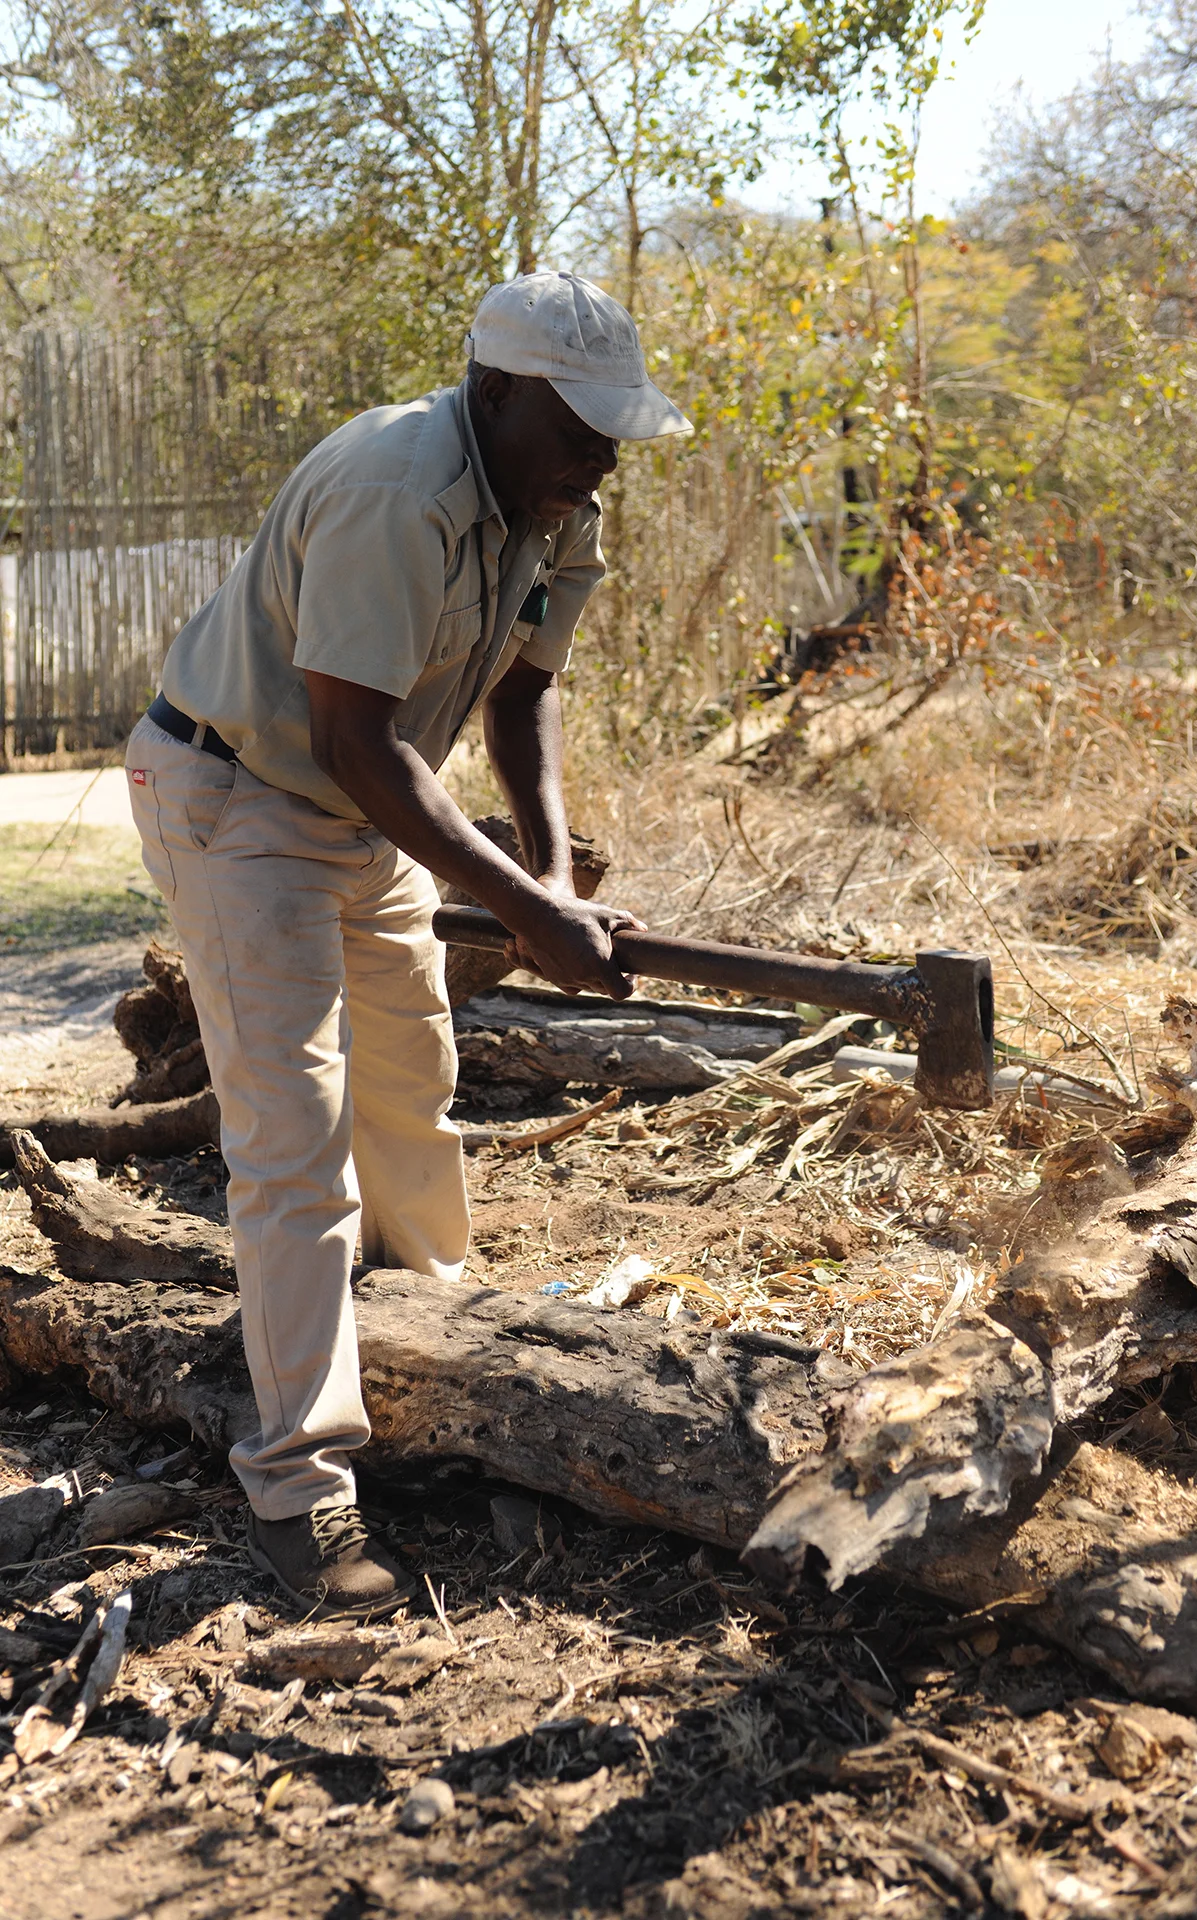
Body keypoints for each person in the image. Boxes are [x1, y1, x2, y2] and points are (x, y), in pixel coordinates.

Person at [124, 270, 691, 1617]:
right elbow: (352, 738)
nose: (602, 454)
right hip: (240, 796)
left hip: (366, 810)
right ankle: (299, 1492)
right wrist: (524, 911)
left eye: (616, 428)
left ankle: (443, 1346)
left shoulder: (555, 500)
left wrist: (545, 869)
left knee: (410, 1088)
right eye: (579, 424)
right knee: (294, 1141)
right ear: (495, 393)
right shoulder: (398, 488)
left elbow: (525, 697)